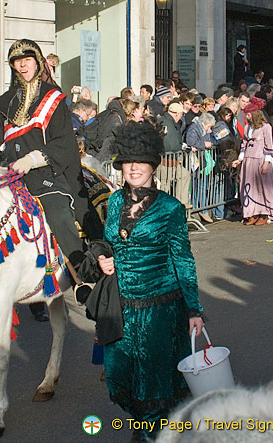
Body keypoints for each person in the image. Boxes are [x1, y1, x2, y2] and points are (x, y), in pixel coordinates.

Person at [0, 38, 103, 322]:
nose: (22, 65)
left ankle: (82, 275)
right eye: (16, 61)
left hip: (47, 172)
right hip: (11, 176)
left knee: (58, 212)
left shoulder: (53, 97)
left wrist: (32, 160)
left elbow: (63, 142)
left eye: (27, 59)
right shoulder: (4, 103)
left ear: (37, 62)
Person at [98, 121, 204, 442]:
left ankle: (151, 433)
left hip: (159, 309)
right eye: (128, 161)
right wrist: (105, 257)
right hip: (121, 306)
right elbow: (108, 243)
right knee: (118, 377)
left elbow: (183, 260)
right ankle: (148, 422)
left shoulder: (171, 209)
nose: (133, 168)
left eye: (140, 161)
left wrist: (194, 309)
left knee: (153, 382)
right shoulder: (114, 202)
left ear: (152, 166)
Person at [232, 100, 273, 225]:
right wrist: (239, 159)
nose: (246, 116)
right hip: (248, 161)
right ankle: (252, 213)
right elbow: (244, 145)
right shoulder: (247, 127)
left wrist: (266, 163)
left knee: (263, 187)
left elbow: (269, 146)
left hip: (260, 160)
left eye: (249, 114)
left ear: (255, 114)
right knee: (249, 187)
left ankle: (264, 213)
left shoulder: (266, 127)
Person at [156, 102, 191, 207]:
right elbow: (169, 144)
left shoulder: (170, 123)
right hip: (165, 160)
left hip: (172, 159)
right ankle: (163, 208)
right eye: (181, 114)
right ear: (176, 114)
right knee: (164, 185)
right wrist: (181, 148)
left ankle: (180, 202)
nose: (181, 117)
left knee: (184, 175)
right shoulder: (166, 123)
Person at [186, 112, 216, 223]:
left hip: (201, 160)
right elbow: (191, 141)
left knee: (201, 185)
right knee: (198, 185)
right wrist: (204, 144)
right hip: (196, 161)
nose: (210, 128)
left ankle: (200, 208)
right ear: (203, 123)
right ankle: (200, 209)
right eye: (209, 126)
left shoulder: (204, 129)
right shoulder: (194, 128)